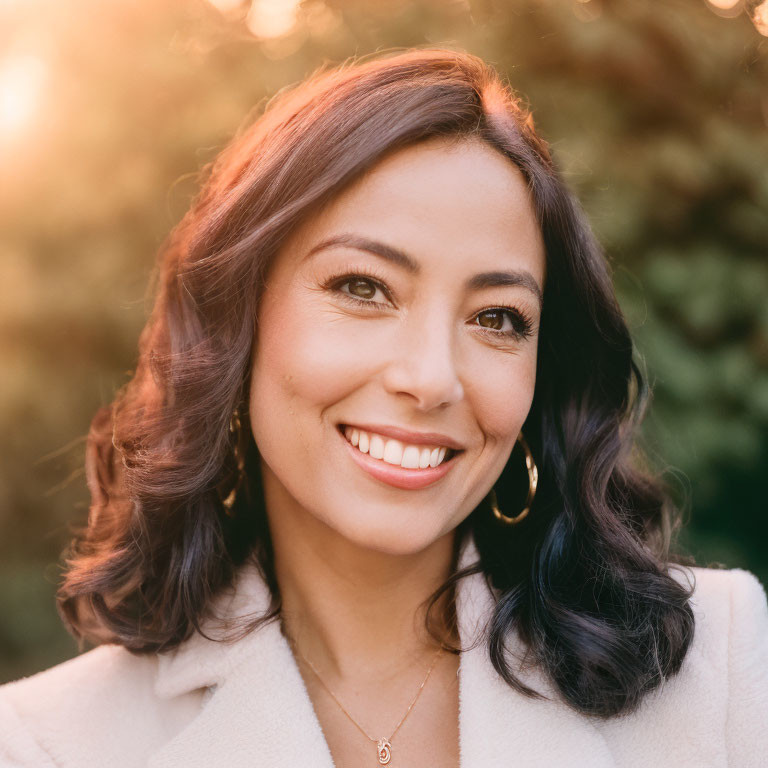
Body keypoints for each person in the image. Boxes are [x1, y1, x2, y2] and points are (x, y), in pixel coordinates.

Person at [1, 47, 766, 768]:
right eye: (363, 288)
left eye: (497, 318)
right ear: (238, 321)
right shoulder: (48, 745)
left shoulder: (725, 669)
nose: (431, 379)